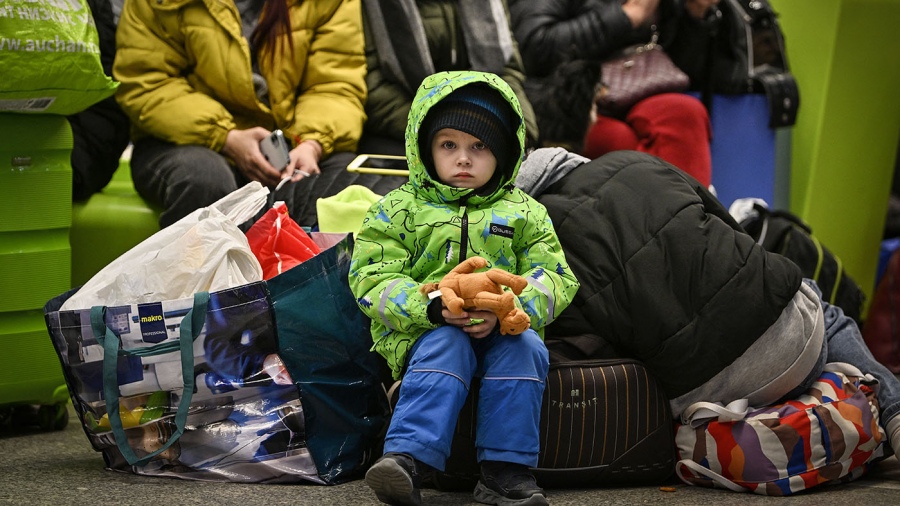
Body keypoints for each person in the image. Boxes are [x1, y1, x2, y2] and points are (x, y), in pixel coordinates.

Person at [515, 146, 900, 467]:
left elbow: (594, 346)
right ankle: (893, 408)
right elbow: (731, 230)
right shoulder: (635, 161)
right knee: (817, 304)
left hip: (701, 395)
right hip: (796, 346)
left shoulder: (541, 243)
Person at [348, 71, 580, 505]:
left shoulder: (526, 212)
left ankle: (505, 473)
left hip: (504, 329)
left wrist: (507, 308)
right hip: (425, 332)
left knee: (527, 349)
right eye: (448, 145)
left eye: (480, 147)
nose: (463, 159)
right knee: (446, 345)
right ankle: (405, 460)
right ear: (425, 148)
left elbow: (556, 278)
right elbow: (372, 278)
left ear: (506, 153)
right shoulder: (397, 209)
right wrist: (433, 306)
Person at [113, 0, 402, 229]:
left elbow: (334, 84)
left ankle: (310, 294)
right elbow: (146, 81)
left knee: (351, 185)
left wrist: (311, 144)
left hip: (289, 143)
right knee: (205, 182)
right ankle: (201, 301)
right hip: (186, 139)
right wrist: (226, 136)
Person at [508, 0, 719, 187]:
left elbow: (683, 72)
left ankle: (690, 222)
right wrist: (627, 15)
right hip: (569, 100)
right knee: (618, 140)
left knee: (685, 114)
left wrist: (695, 14)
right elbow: (534, 47)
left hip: (640, 88)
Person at [358, 0, 540, 156]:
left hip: (482, 124)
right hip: (405, 130)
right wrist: (445, 128)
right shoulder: (369, 6)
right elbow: (373, 86)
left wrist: (518, 126)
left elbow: (506, 68)